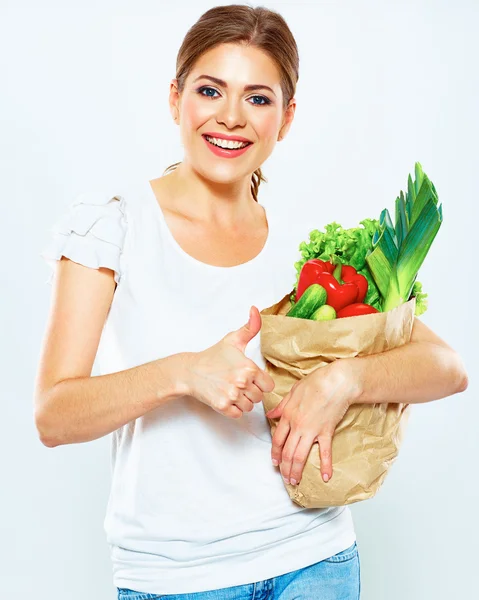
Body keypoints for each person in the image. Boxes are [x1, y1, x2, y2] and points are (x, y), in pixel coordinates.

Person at [35, 5, 362, 599]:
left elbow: (445, 367)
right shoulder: (112, 225)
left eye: (258, 98)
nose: (232, 117)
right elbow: (52, 416)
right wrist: (184, 372)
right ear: (175, 98)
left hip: (316, 558)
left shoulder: (302, 249)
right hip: (178, 579)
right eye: (211, 90)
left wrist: (341, 383)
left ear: (286, 118)